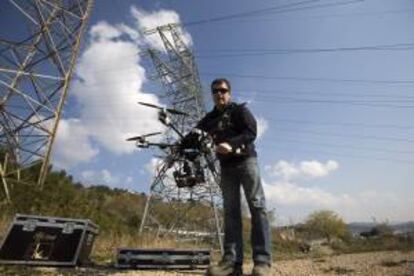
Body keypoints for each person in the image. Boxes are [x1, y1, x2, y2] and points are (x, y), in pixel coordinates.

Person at [196, 78, 272, 276]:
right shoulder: (209, 119)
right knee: (230, 213)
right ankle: (231, 264)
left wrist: (232, 143)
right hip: (226, 168)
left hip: (247, 162)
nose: (219, 94)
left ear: (229, 92)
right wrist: (175, 135)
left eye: (223, 90)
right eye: (215, 91)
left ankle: (262, 262)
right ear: (212, 95)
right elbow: (195, 135)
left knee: (257, 206)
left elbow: (251, 131)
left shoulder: (239, 111)